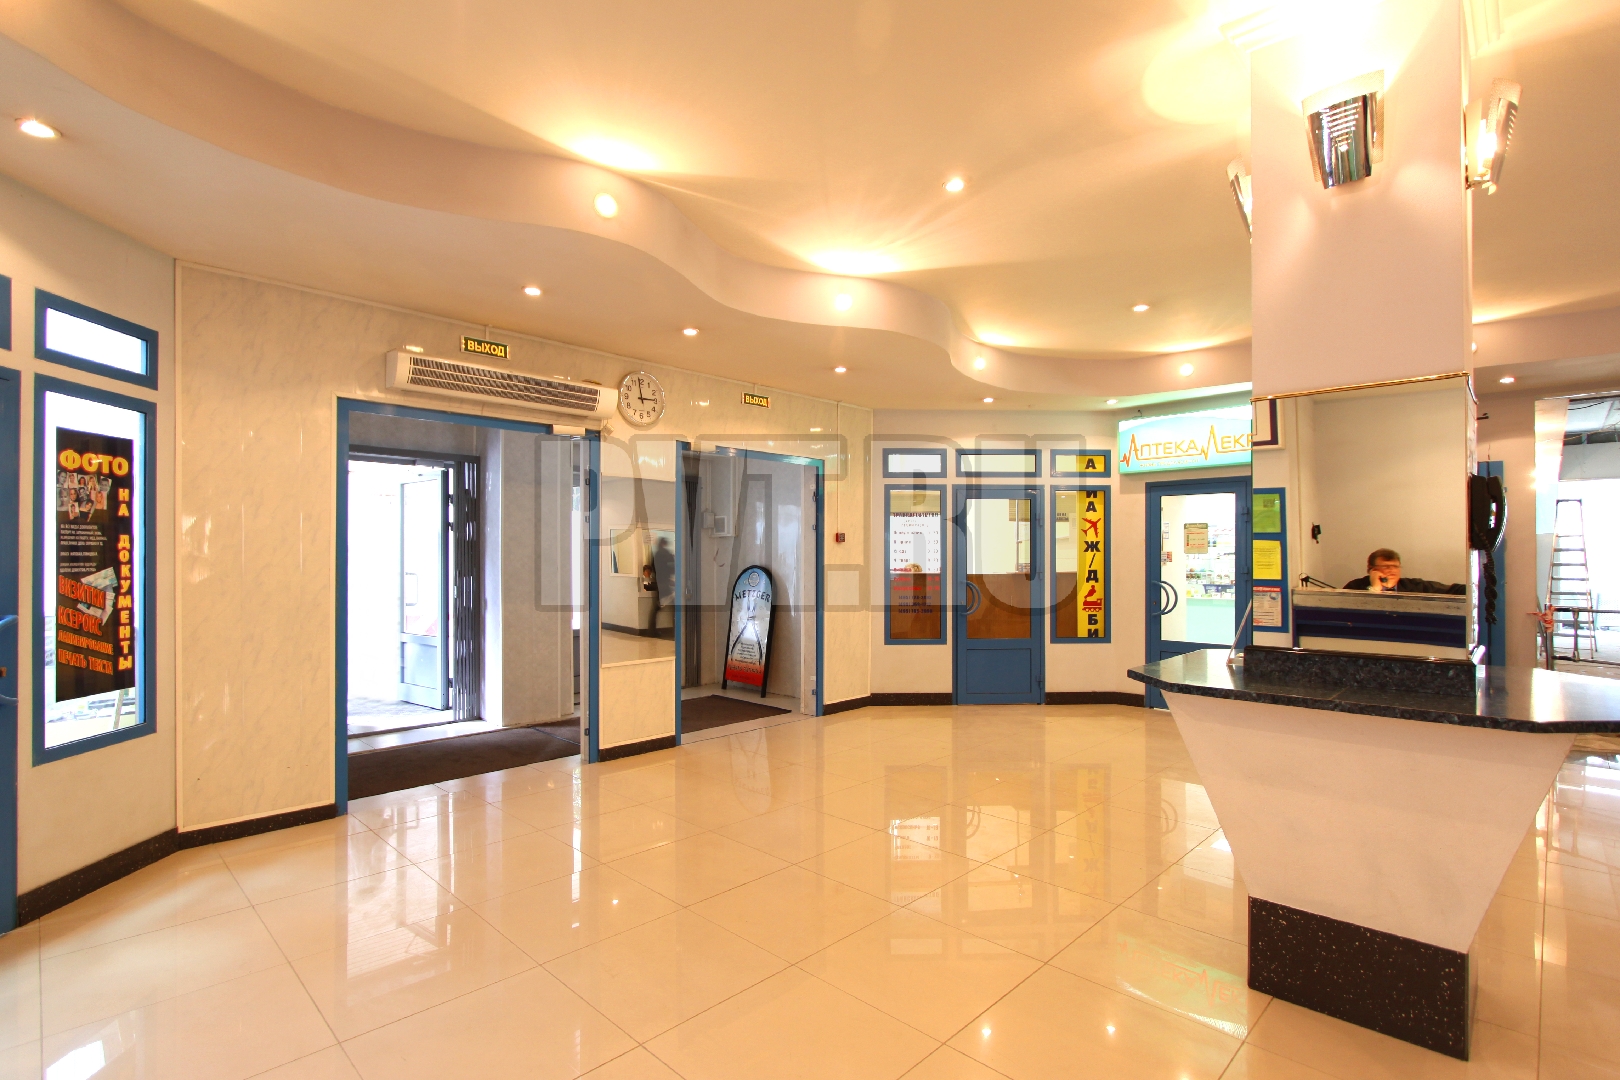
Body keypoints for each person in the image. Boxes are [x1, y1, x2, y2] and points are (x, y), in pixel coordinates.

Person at [1341, 548, 1464, 594]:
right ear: (1372, 569)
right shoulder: (1355, 587)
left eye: (1395, 566)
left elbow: (1453, 590)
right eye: (1386, 566)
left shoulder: (1414, 586)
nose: (1392, 570)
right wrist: (1375, 589)